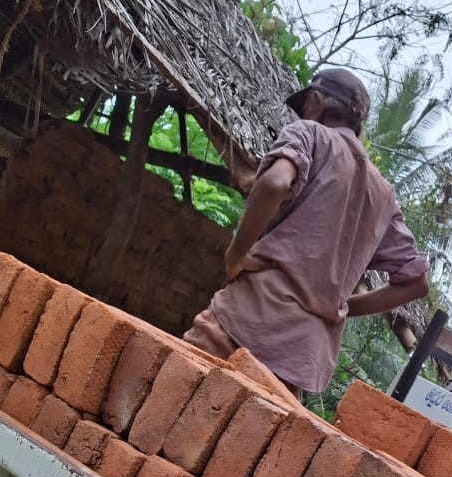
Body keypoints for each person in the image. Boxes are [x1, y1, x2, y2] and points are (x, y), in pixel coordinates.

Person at [184, 68, 430, 401]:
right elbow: (416, 283)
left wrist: (236, 255)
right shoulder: (382, 194)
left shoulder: (310, 134)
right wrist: (339, 306)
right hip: (298, 358)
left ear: (315, 103)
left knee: (169, 403)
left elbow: (274, 183)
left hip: (247, 318)